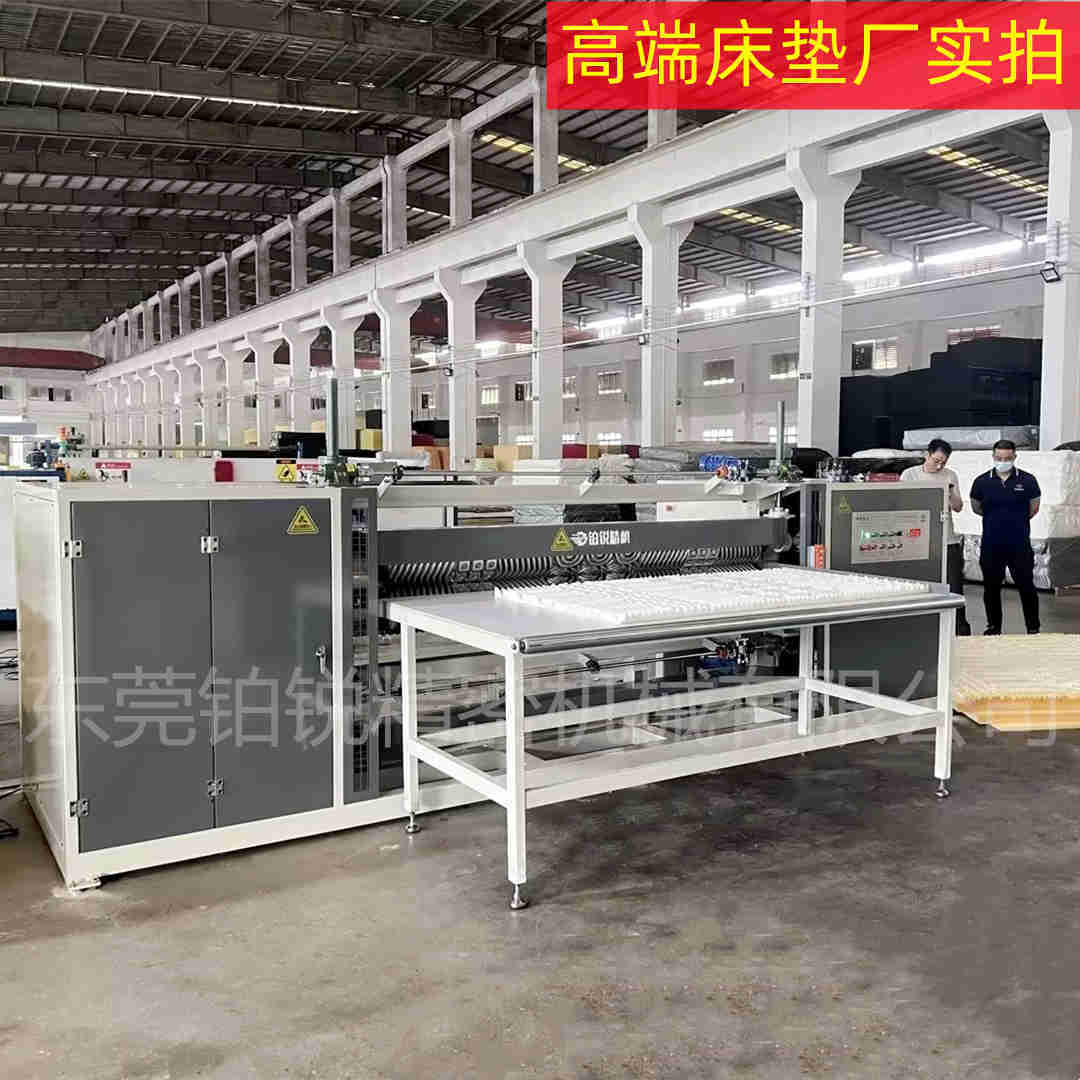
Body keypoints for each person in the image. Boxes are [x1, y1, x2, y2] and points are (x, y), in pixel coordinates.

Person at [900, 438, 971, 635]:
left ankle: (960, 630)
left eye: (943, 462)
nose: (939, 465)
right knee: (921, 585)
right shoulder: (910, 475)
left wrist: (950, 493)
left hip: (947, 539)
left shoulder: (950, 475)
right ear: (927, 455)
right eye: (936, 460)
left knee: (954, 586)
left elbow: (958, 507)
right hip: (919, 540)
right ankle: (921, 628)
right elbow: (901, 504)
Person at [970, 439, 1041, 635]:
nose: (1003, 461)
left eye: (1007, 458)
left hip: (1019, 544)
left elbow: (1034, 508)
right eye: (999, 458)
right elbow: (977, 508)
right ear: (993, 457)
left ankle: (1033, 628)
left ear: (1015, 457)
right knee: (991, 588)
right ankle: (993, 627)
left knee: (1026, 586)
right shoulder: (981, 482)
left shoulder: (1028, 480)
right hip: (992, 544)